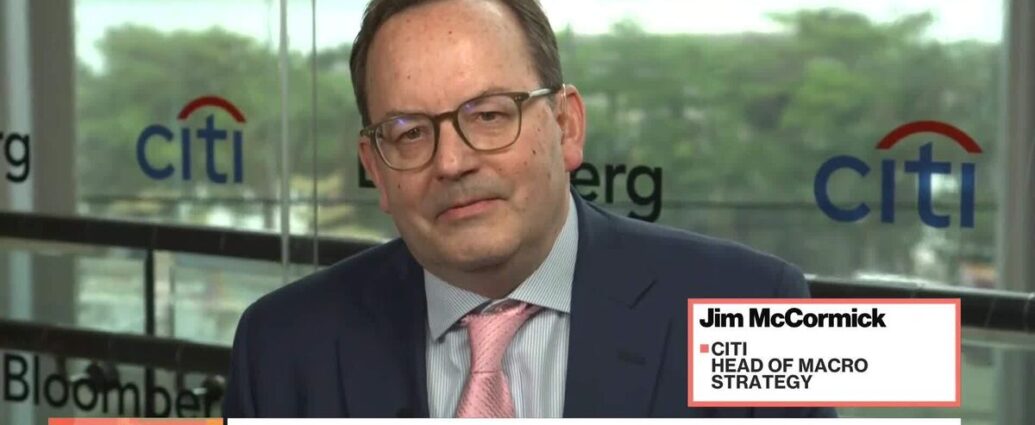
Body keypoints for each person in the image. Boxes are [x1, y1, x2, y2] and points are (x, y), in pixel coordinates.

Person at [223, 0, 836, 418]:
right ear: (376, 168)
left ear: (566, 126)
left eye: (489, 115)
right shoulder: (281, 346)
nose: (451, 162)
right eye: (409, 133)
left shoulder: (758, 307)